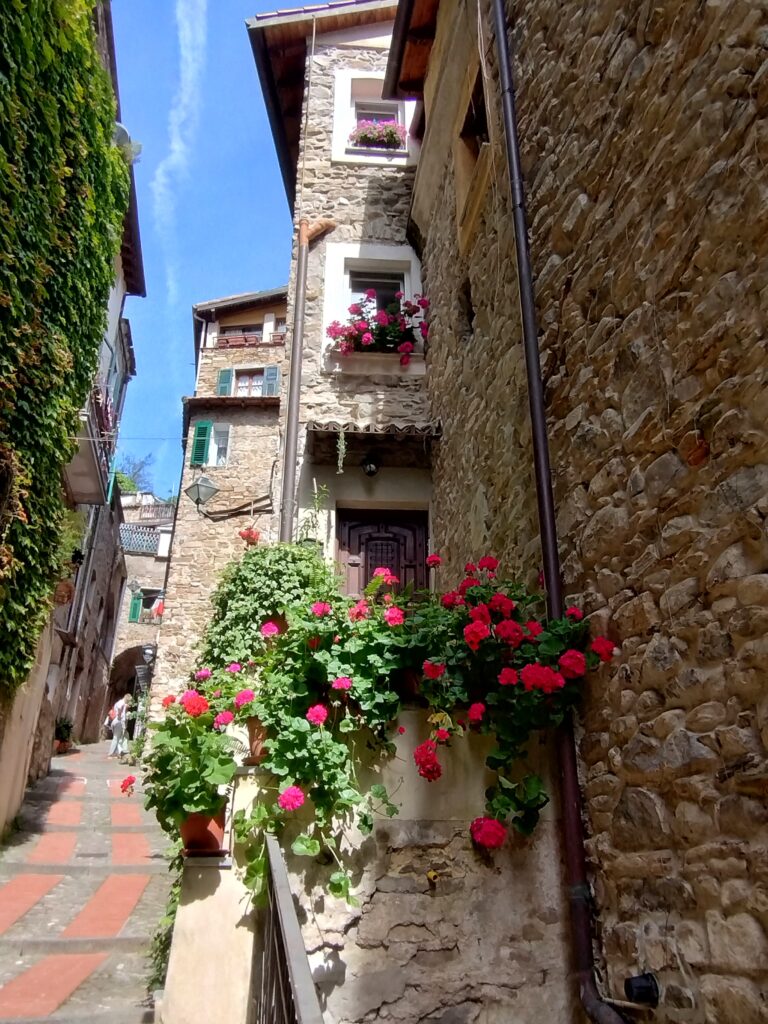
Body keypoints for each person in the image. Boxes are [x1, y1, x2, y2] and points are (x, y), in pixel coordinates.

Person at [107, 693, 133, 758]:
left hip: (118, 721)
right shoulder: (121, 703)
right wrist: (120, 716)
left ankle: (116, 753)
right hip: (119, 722)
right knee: (116, 738)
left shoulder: (120, 703)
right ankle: (111, 754)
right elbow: (120, 712)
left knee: (118, 738)